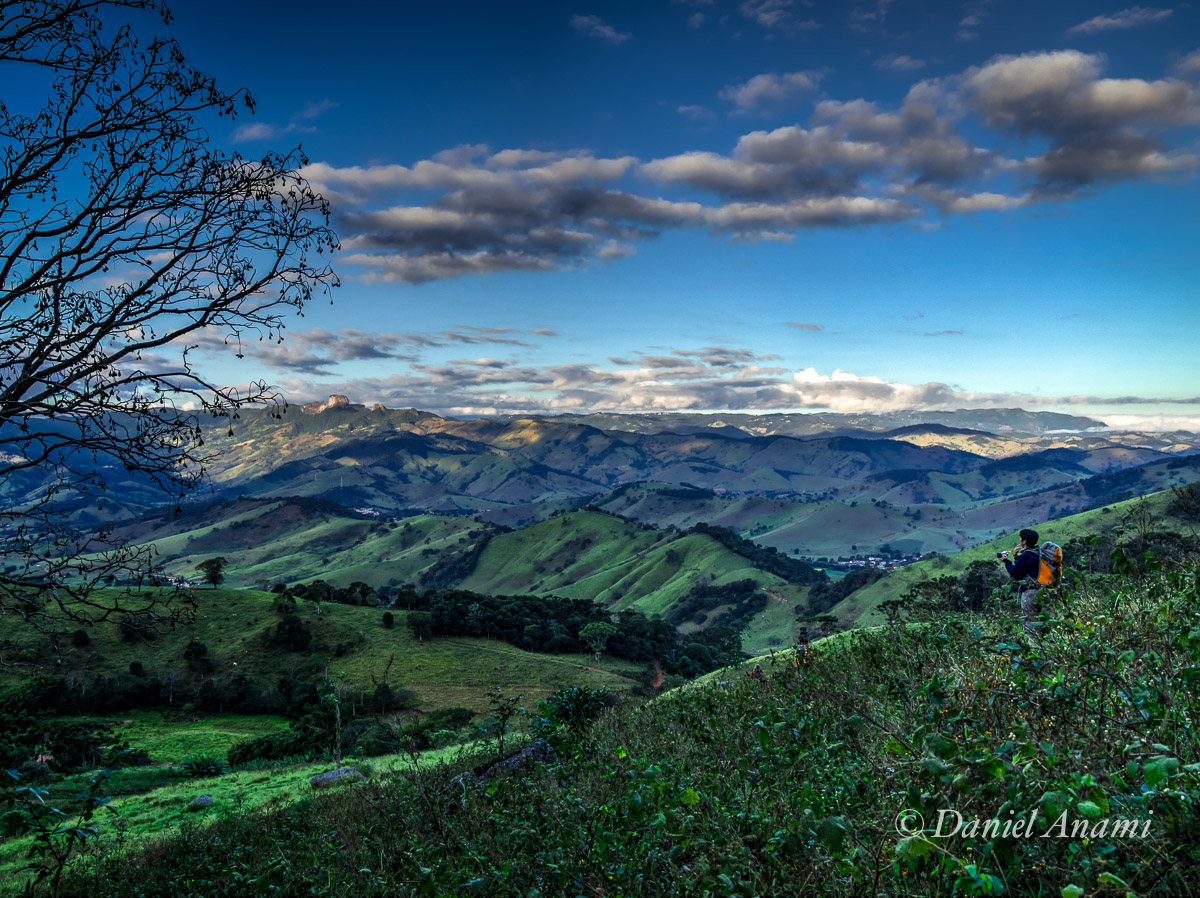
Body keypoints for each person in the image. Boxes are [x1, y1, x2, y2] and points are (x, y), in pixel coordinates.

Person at [1001, 529, 1042, 631]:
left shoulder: (1027, 554)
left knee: (1029, 623)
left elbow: (1016, 573)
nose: (1019, 540)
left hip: (1031, 592)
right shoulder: (1039, 552)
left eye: (1020, 538)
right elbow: (1028, 569)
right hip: (1045, 590)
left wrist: (1006, 561)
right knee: (1044, 622)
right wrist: (1016, 556)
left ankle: (1033, 645)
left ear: (1024, 541)